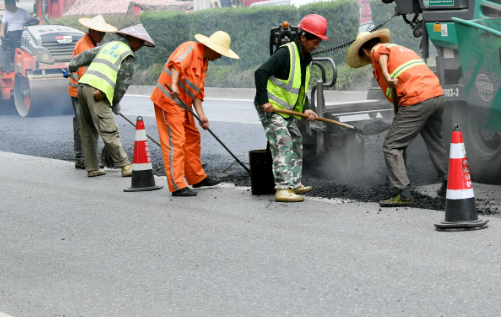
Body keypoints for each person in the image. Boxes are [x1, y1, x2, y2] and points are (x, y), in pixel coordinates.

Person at [347, 29, 448, 207]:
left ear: (364, 51)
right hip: (436, 95)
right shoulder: (401, 49)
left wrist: (386, 74)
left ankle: (403, 193)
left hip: (417, 99)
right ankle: (449, 183)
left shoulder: (379, 49)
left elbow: (380, 54)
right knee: (434, 140)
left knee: (391, 145)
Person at [151, 30, 238, 197]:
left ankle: (197, 178)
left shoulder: (204, 62)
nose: (220, 57)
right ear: (212, 48)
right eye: (220, 53)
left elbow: (197, 92)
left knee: (192, 137)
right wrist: (174, 85)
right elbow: (176, 64)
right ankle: (177, 185)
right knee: (176, 141)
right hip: (168, 101)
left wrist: (201, 115)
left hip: (183, 105)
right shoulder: (190, 48)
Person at [253, 15, 327, 203]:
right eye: (314, 41)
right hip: (271, 108)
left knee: (295, 139)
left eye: (319, 42)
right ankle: (282, 188)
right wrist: (263, 101)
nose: (316, 46)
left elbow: (299, 89)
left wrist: (308, 108)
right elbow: (260, 73)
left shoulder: (306, 58)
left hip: (286, 110)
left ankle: (294, 184)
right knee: (283, 142)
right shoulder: (285, 53)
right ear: (303, 37)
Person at [68, 25, 156, 178]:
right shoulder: (127, 55)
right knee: (108, 129)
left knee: (87, 130)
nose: (141, 46)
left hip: (82, 87)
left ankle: (92, 167)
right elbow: (122, 85)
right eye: (141, 43)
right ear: (133, 39)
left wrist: (71, 65)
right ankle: (125, 165)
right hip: (98, 92)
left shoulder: (109, 46)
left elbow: (86, 55)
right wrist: (115, 103)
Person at [68, 15, 117, 170]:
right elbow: (85, 75)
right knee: (82, 125)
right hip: (79, 90)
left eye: (103, 33)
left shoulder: (93, 43)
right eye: (99, 33)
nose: (102, 36)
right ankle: (81, 158)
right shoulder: (84, 46)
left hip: (85, 89)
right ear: (91, 30)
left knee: (87, 124)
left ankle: (88, 157)